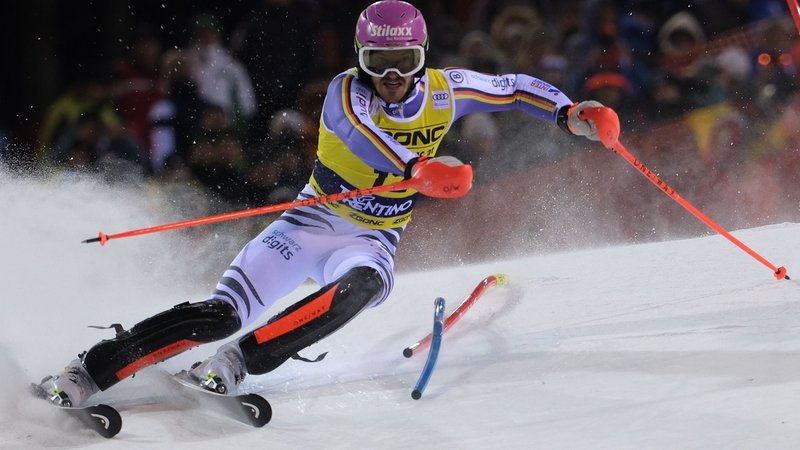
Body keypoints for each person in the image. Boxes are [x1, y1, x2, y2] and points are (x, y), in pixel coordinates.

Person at [36, 0, 618, 407]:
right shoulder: (345, 91)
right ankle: (89, 369)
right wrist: (418, 168)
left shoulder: (446, 90)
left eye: (405, 62)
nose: (392, 76)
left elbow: (513, 88)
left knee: (362, 286)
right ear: (361, 58)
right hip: (309, 224)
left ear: (423, 57)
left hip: (372, 237)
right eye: (379, 63)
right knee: (222, 314)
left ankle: (240, 363)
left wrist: (571, 113)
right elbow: (363, 136)